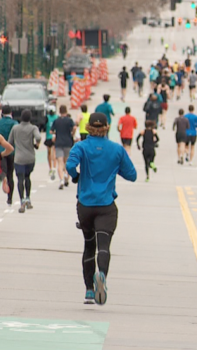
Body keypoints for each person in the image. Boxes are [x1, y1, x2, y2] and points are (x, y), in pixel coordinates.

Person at [65, 112, 137, 305]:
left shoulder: (80, 147)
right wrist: (115, 169)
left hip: (86, 205)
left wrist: (76, 177)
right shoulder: (116, 149)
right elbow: (132, 175)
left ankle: (89, 291)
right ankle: (102, 274)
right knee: (104, 246)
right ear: (107, 127)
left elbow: (70, 165)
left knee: (89, 245)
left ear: (88, 127)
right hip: (106, 205)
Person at [8, 110, 41, 213]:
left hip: (19, 158)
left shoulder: (15, 128)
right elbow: (38, 137)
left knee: (20, 179)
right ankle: (28, 197)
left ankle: (21, 199)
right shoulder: (33, 128)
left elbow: (10, 142)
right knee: (27, 177)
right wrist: (36, 144)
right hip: (30, 157)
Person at [0, 104, 18, 204]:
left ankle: (2, 179)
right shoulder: (14, 123)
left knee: (0, 170)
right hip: (11, 150)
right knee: (10, 174)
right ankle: (9, 198)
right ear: (11, 113)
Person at [51, 105, 76, 190]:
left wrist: (55, 134)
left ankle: (61, 179)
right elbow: (74, 127)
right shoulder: (69, 120)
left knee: (60, 162)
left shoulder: (56, 121)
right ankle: (66, 176)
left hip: (58, 142)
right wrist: (72, 134)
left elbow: (51, 130)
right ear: (66, 111)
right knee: (67, 161)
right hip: (68, 142)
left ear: (59, 111)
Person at [45, 106, 59, 179]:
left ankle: (51, 167)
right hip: (55, 136)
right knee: (53, 152)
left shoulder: (47, 117)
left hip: (49, 137)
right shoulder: (57, 117)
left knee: (49, 153)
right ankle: (54, 166)